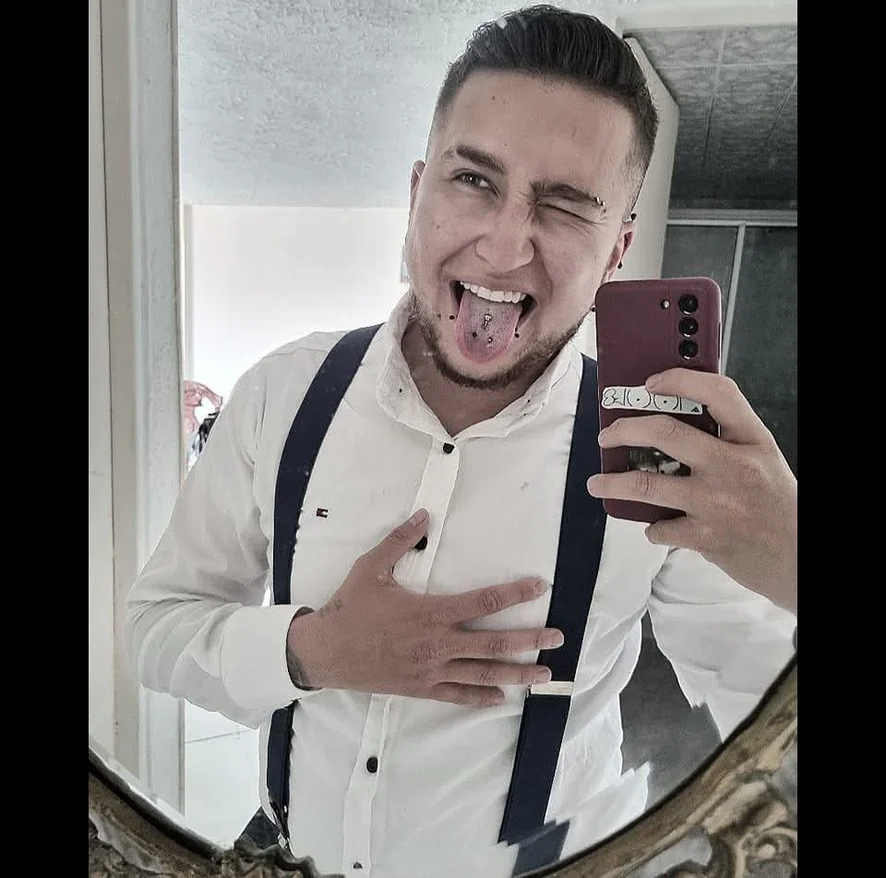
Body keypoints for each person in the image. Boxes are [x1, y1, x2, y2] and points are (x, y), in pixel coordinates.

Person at [125, 7, 797, 877]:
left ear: (618, 252)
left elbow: (771, 733)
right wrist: (312, 651)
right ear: (418, 195)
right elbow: (155, 630)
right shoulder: (279, 397)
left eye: (566, 205)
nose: (505, 245)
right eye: (474, 180)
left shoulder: (663, 457)